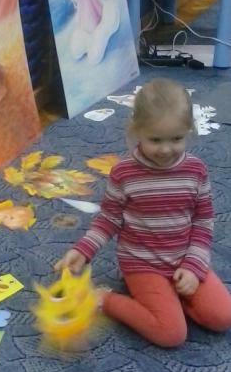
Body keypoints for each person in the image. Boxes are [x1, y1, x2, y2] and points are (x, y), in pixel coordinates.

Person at [56, 78, 231, 347]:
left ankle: (171, 298)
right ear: (137, 131)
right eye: (155, 139)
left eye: (177, 138)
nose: (166, 149)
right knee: (171, 334)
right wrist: (84, 249)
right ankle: (104, 299)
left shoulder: (196, 170)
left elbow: (203, 222)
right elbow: (109, 218)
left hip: (183, 257)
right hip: (142, 263)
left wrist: (193, 266)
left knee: (222, 317)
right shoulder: (124, 172)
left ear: (189, 131)